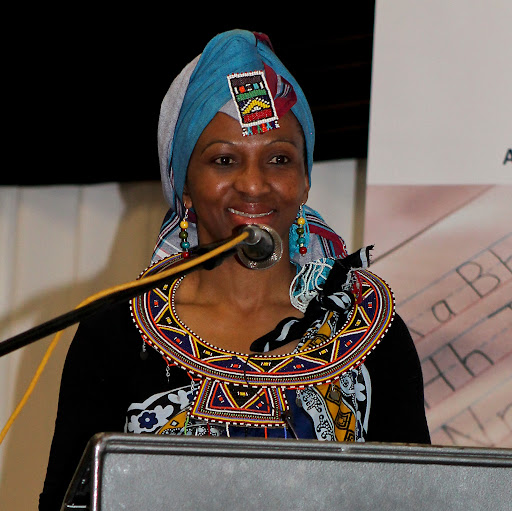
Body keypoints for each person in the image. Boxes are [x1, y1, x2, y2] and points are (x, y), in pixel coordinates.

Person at [39, 29, 430, 509]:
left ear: (305, 180)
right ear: (184, 185)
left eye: (279, 159)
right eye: (224, 160)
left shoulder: (369, 331)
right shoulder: (117, 334)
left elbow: (419, 500)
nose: (253, 185)